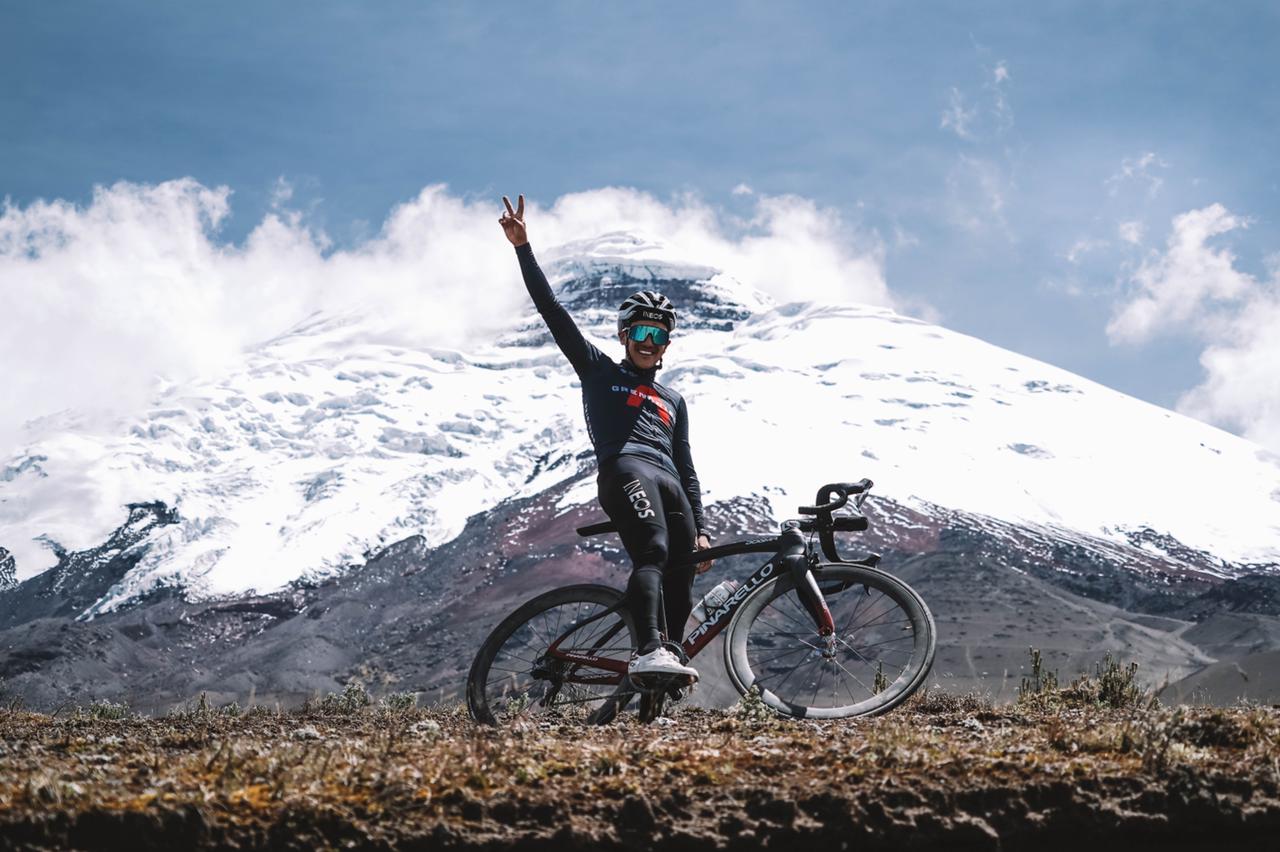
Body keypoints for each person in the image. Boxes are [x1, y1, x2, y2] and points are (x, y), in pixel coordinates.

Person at [499, 193, 713, 682]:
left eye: (658, 336)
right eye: (640, 332)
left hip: (671, 482)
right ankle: (647, 652)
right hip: (626, 468)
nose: (647, 342)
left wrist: (700, 527)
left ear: (667, 345)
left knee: (681, 578)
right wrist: (523, 248)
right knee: (654, 552)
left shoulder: (674, 400)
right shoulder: (597, 371)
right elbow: (552, 310)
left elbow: (688, 468)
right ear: (623, 335)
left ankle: (666, 670)